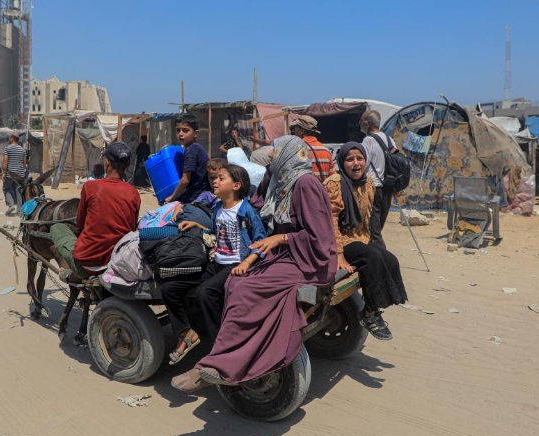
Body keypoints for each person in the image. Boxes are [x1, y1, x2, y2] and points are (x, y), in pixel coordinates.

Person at [171, 135, 337, 392]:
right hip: (291, 255)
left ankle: (224, 363)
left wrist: (280, 238)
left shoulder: (305, 184)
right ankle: (226, 350)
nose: (270, 155)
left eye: (275, 151)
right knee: (236, 281)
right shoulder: (285, 182)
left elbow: (320, 237)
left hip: (311, 261)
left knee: (245, 287)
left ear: (289, 154)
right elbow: (256, 203)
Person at [162, 164, 266, 366]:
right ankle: (187, 332)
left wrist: (246, 263)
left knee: (205, 293)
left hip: (235, 265)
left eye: (221, 178)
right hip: (216, 263)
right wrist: (198, 226)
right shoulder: (218, 208)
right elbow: (217, 233)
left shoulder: (246, 211)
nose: (215, 182)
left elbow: (261, 242)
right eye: (215, 178)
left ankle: (219, 346)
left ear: (236, 186)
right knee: (170, 288)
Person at [324, 142, 407, 340]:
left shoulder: (368, 182)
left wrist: (375, 243)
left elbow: (368, 218)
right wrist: (339, 255)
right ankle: (370, 314)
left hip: (359, 237)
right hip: (339, 240)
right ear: (342, 162)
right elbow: (330, 222)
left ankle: (375, 309)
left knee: (390, 259)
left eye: (359, 158)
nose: (356, 163)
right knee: (372, 258)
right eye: (350, 159)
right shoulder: (334, 183)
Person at [50, 142, 141, 281]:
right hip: (117, 262)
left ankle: (69, 268)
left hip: (87, 264)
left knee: (56, 227)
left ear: (107, 162)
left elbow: (80, 223)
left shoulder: (90, 187)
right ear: (128, 165)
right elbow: (132, 228)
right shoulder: (133, 193)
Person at [361, 110, 396, 248]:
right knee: (379, 225)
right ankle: (375, 250)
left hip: (373, 188)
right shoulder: (389, 139)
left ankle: (381, 253)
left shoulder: (368, 140)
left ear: (368, 124)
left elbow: (364, 165)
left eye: (362, 121)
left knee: (373, 228)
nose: (360, 124)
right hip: (388, 187)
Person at [163, 114, 209, 204]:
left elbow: (185, 180)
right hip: (201, 194)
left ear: (196, 133)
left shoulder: (191, 150)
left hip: (194, 197)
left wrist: (172, 197)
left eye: (185, 130)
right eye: (178, 130)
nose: (180, 134)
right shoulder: (197, 147)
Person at [289, 115, 336, 182]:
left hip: (303, 188)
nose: (293, 131)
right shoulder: (326, 150)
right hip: (322, 188)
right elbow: (333, 178)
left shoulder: (295, 149)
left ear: (302, 130)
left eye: (295, 128)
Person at [2, 133, 28, 216]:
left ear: (12, 138)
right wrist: (22, 171)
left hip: (10, 174)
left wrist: (4, 172)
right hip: (20, 174)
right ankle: (19, 211)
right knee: (19, 192)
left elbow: (5, 160)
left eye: (10, 137)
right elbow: (24, 163)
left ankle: (11, 204)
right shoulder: (22, 149)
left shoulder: (7, 148)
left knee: (6, 188)